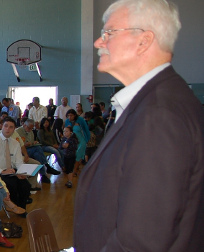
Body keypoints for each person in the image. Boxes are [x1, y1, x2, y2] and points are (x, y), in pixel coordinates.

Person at [74, 1, 204, 251]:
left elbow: (140, 241)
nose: (99, 42)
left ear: (144, 41)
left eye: (108, 33)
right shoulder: (159, 101)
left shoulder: (159, 114)